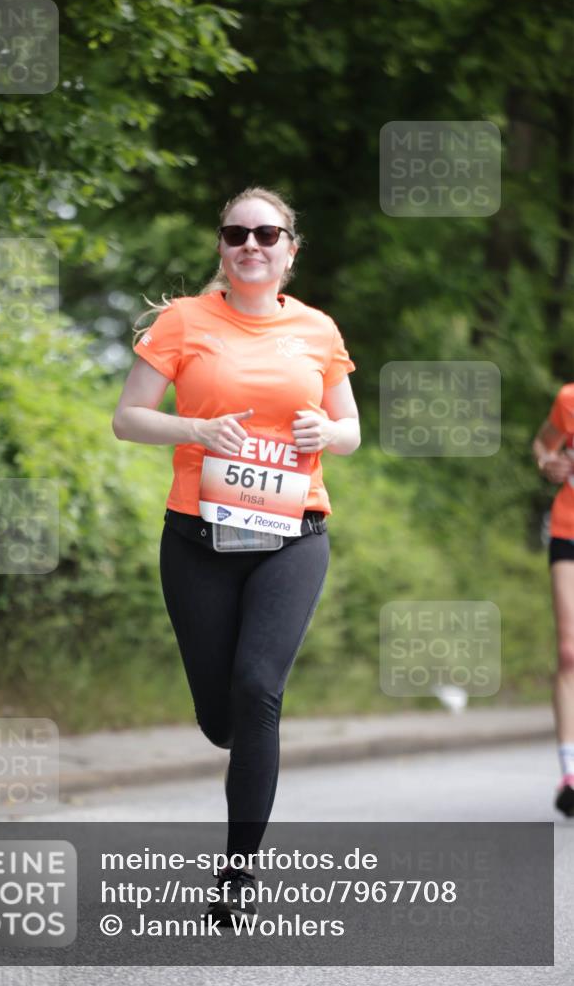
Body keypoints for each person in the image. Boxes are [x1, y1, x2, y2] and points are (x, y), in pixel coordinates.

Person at [112, 186, 360, 923]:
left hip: (292, 536)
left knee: (258, 691)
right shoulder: (183, 321)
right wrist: (194, 430)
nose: (251, 244)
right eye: (236, 233)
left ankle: (237, 876)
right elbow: (128, 418)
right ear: (220, 246)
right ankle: (228, 733)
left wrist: (324, 433)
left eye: (266, 234)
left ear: (290, 249)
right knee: (222, 719)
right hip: (198, 538)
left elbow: (349, 429)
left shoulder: (317, 330)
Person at [532, 382, 574, 818]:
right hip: (569, 530)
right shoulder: (568, 400)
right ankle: (570, 775)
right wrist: (548, 463)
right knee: (569, 653)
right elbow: (543, 444)